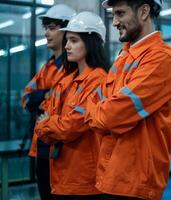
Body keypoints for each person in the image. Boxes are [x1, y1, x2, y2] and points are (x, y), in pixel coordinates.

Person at [85, 0, 171, 199]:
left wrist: (99, 113)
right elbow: (94, 101)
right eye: (114, 15)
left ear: (144, 11)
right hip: (111, 175)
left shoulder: (161, 58)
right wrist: (100, 113)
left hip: (136, 183)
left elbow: (111, 116)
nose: (115, 22)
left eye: (120, 13)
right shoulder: (124, 56)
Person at [34, 11, 109, 200]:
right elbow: (45, 113)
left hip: (83, 180)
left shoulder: (98, 80)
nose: (67, 46)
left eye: (74, 40)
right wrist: (50, 124)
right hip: (60, 174)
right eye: (67, 40)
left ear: (91, 43)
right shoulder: (66, 80)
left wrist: (47, 124)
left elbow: (72, 126)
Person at [22, 4, 76, 200]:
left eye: (52, 27)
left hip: (65, 150)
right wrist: (48, 94)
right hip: (42, 148)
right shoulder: (47, 68)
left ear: (67, 30)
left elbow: (65, 108)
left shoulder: (76, 67)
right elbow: (27, 99)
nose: (46, 33)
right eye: (45, 27)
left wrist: (43, 96)